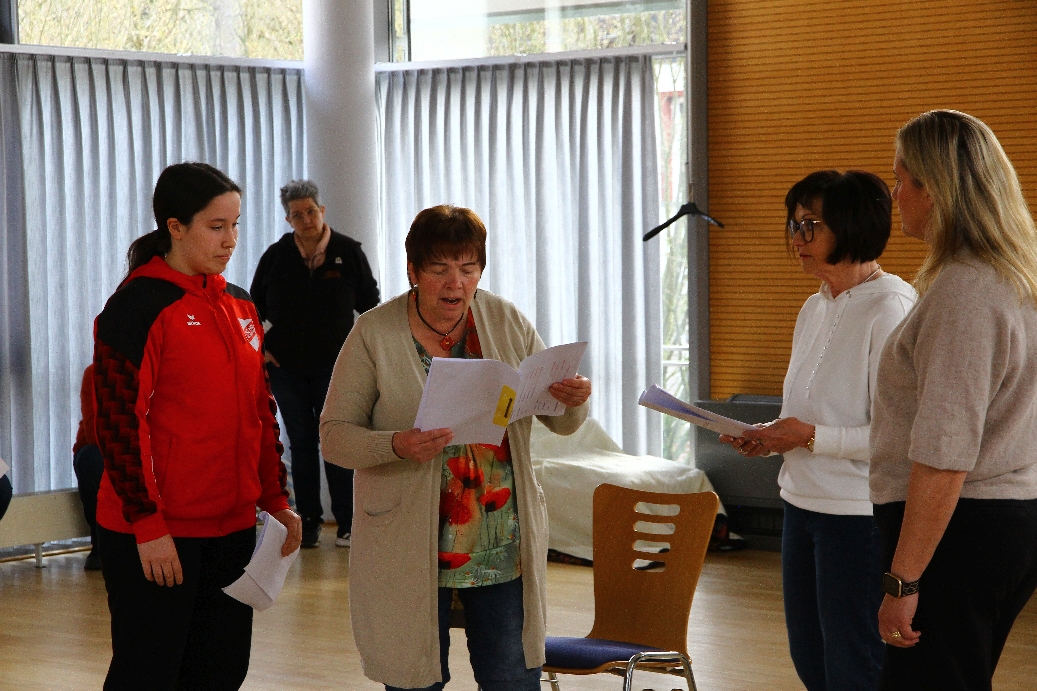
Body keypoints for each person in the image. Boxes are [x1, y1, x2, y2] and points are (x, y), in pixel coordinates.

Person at [319, 205, 592, 691]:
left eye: (468, 269)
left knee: (512, 679)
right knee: (415, 680)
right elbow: (334, 436)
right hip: (408, 544)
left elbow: (561, 420)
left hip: (500, 540)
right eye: (440, 268)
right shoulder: (374, 333)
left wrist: (572, 399)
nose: (456, 283)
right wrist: (396, 445)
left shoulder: (504, 319)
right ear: (413, 271)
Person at [93, 162, 302, 691]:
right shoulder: (137, 305)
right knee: (149, 675)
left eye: (235, 225)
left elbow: (260, 412)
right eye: (216, 226)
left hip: (231, 529)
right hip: (157, 532)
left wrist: (276, 501)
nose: (231, 240)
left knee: (221, 673)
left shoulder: (241, 304)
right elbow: (118, 423)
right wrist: (148, 525)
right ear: (175, 227)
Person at [720, 170, 916, 691]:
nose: (796, 238)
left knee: (853, 668)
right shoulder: (814, 306)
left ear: (851, 226)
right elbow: (805, 413)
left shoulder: (891, 307)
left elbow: (898, 439)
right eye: (794, 224)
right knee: (810, 660)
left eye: (810, 225)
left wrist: (806, 436)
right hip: (800, 505)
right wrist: (767, 437)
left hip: (856, 518)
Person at [870, 110, 1037, 691]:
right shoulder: (1009, 276)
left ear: (937, 188)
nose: (895, 195)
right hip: (994, 520)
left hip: (960, 528)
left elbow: (945, 451)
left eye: (901, 180)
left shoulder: (967, 288)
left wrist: (903, 582)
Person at [251, 179, 379, 549]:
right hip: (286, 370)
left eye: (310, 211)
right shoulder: (276, 256)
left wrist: (366, 355)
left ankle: (348, 523)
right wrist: (262, 352)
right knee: (301, 444)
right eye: (297, 215)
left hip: (337, 369)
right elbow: (250, 310)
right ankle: (307, 521)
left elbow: (371, 307)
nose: (306, 219)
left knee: (335, 442)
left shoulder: (348, 252)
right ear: (287, 219)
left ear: (321, 211)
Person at [73, 363, 104, 570]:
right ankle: (100, 547)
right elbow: (94, 434)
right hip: (97, 448)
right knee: (94, 460)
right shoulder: (94, 372)